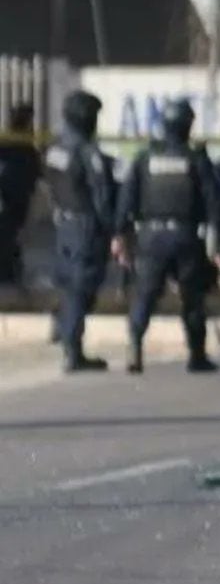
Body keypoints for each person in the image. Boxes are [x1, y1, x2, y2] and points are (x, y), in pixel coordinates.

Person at [115, 99, 220, 375]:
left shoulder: (145, 158)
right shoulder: (196, 159)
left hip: (150, 237)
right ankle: (197, 355)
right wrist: (219, 246)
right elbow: (213, 203)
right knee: (192, 297)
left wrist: (119, 235)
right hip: (186, 236)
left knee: (145, 295)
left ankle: (135, 346)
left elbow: (126, 199)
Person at [44, 91, 116, 373]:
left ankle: (63, 326)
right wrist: (114, 230)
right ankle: (73, 352)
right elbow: (102, 196)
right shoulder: (88, 153)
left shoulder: (55, 148)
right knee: (81, 287)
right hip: (85, 227)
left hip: (63, 223)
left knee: (68, 282)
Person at [0, 104, 41, 289]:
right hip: (10, 199)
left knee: (11, 237)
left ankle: (10, 272)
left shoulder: (23, 146)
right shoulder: (16, 145)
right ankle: (8, 273)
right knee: (9, 237)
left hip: (15, 199)